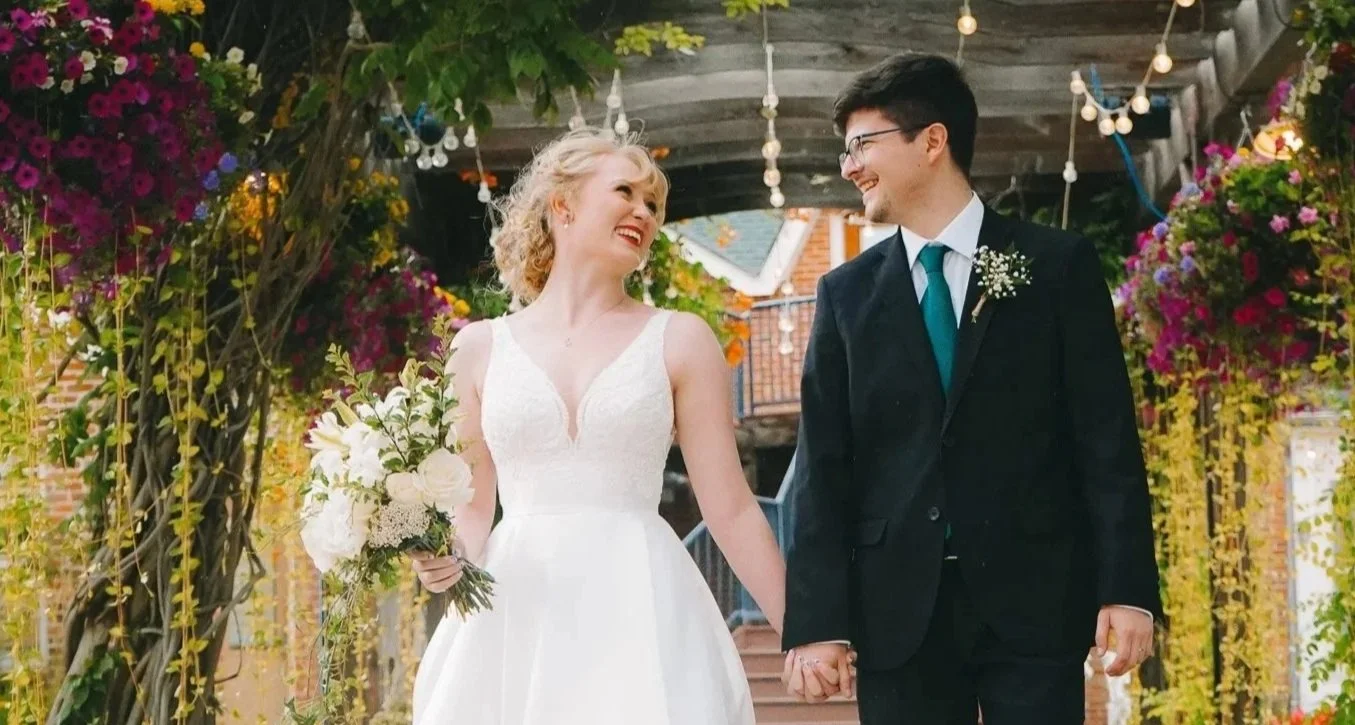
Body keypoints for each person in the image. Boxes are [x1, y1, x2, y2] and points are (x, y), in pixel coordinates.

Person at [780, 54, 1163, 724]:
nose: (847, 167)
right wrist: (816, 621)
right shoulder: (844, 295)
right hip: (897, 608)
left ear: (932, 141)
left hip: (1035, 598)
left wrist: (1127, 590)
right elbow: (822, 467)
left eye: (861, 145)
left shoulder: (1054, 266)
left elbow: (1104, 440)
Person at [409, 128, 787, 725]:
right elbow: (475, 505)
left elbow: (732, 509)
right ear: (562, 206)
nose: (644, 212)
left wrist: (803, 631)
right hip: (515, 616)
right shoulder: (479, 349)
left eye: (653, 204)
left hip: (640, 608)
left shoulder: (681, 339)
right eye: (626, 192)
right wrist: (446, 556)